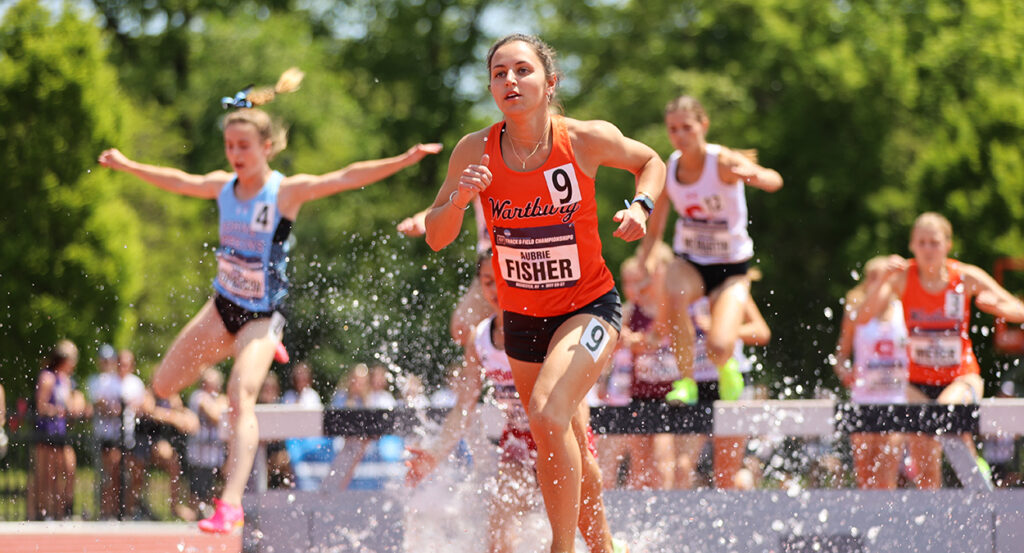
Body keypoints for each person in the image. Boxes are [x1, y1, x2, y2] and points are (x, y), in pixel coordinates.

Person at [97, 68, 442, 532]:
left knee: (241, 396)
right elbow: (178, 180)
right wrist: (126, 165)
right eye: (230, 147)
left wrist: (405, 158)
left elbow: (344, 176)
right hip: (222, 307)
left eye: (244, 147)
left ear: (267, 148)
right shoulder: (223, 187)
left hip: (261, 316)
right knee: (162, 384)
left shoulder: (285, 192)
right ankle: (240, 351)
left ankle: (230, 502)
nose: (236, 155)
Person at [425, 34, 664, 553]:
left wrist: (641, 207)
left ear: (550, 82)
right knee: (567, 441)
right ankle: (604, 547)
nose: (510, 81)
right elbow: (436, 234)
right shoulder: (475, 149)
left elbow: (651, 160)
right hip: (523, 319)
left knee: (547, 413)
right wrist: (461, 199)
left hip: (588, 308)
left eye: (522, 70)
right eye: (499, 74)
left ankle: (562, 548)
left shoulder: (581, 139)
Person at [406, 250, 627, 553]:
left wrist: (584, 448)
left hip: (564, 439)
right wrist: (435, 452)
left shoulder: (549, 328)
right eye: (487, 282)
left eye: (501, 281)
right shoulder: (479, 339)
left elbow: (576, 398)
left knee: (598, 544)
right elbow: (464, 405)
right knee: (498, 536)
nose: (497, 291)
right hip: (520, 441)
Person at [858, 212, 1024, 488]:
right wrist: (880, 282)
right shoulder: (902, 278)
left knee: (945, 413)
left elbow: (1018, 311)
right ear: (911, 246)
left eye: (934, 242)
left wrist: (1000, 309)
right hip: (917, 383)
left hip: (961, 378)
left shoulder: (965, 277)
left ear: (947, 245)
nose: (927, 249)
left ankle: (979, 488)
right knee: (924, 464)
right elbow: (863, 317)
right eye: (921, 243)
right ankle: (935, 519)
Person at [638, 95, 782, 405]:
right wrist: (643, 259)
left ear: (704, 125)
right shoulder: (670, 169)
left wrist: (753, 175)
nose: (679, 136)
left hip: (731, 267)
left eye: (686, 127)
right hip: (690, 262)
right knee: (673, 290)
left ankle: (726, 363)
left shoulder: (723, 162)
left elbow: (775, 181)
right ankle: (686, 381)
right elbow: (657, 225)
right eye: (673, 129)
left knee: (718, 345)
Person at [672, 270, 770, 490]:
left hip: (730, 383)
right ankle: (685, 519)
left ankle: (739, 498)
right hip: (695, 383)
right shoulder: (683, 288)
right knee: (682, 467)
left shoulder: (731, 290)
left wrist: (723, 331)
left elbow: (761, 332)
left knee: (725, 473)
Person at [833, 256, 909, 490]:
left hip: (895, 398)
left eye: (886, 276)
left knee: (887, 475)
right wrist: (845, 373)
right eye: (875, 277)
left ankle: (889, 525)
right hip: (864, 398)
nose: (881, 282)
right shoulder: (856, 315)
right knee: (865, 476)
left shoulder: (904, 310)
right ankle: (865, 525)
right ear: (867, 282)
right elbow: (840, 356)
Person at [33, 340, 87, 520]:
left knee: (69, 469)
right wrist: (58, 411)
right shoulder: (48, 377)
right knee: (47, 475)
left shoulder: (66, 380)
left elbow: (70, 405)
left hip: (61, 432)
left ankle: (62, 510)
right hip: (47, 431)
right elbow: (41, 407)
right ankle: (45, 512)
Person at [127, 386, 199, 520]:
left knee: (173, 462)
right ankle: (132, 509)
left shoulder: (172, 396)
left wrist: (188, 417)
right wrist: (174, 417)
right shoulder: (149, 394)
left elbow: (181, 412)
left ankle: (174, 506)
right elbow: (149, 410)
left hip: (156, 441)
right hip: (141, 440)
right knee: (137, 474)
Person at [85, 344, 124, 519]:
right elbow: (99, 403)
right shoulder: (95, 380)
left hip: (117, 434)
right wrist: (111, 408)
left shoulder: (119, 381)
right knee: (104, 473)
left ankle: (114, 509)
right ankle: (104, 510)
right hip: (102, 433)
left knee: (116, 473)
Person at [187, 368, 229, 513]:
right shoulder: (198, 396)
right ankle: (195, 515)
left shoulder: (218, 399)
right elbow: (216, 415)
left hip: (216, 454)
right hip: (199, 454)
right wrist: (220, 404)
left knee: (215, 488)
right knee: (197, 490)